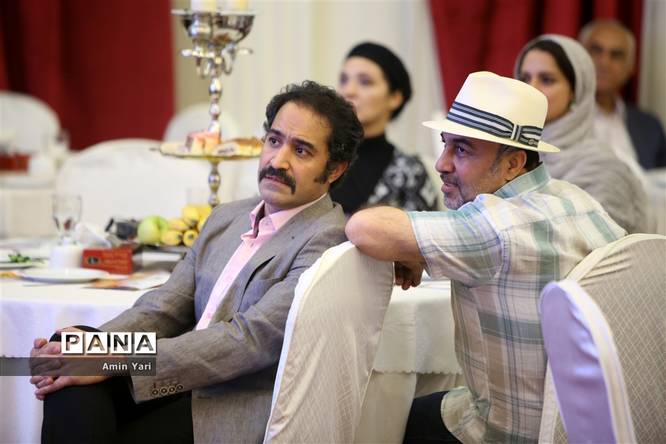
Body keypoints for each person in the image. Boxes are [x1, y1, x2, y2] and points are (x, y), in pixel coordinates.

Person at [29, 80, 363, 444]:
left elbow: (249, 340)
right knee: (71, 344)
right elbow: (165, 307)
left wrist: (118, 357)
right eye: (273, 140)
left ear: (334, 169)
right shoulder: (226, 217)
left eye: (300, 151)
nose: (277, 161)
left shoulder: (328, 239)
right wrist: (96, 349)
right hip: (172, 376)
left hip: (226, 403)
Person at [345, 71, 626, 443]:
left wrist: (411, 247)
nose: (441, 164)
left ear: (513, 164)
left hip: (510, 433)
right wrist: (421, 251)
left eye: (462, 150)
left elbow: (364, 227)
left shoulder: (491, 229)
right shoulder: (578, 200)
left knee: (384, 419)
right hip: (594, 425)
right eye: (445, 145)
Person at [514, 34, 648, 234]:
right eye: (524, 78)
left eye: (547, 80)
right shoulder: (506, 153)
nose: (530, 89)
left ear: (575, 92)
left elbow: (602, 244)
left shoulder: (603, 169)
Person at [332, 41, 438, 214]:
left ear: (395, 97)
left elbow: (423, 230)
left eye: (365, 82)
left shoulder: (410, 172)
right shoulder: (317, 156)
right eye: (343, 80)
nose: (348, 91)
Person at [579, 19, 666, 170]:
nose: (604, 62)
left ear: (631, 68)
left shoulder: (650, 126)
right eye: (596, 50)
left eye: (616, 55)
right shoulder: (557, 117)